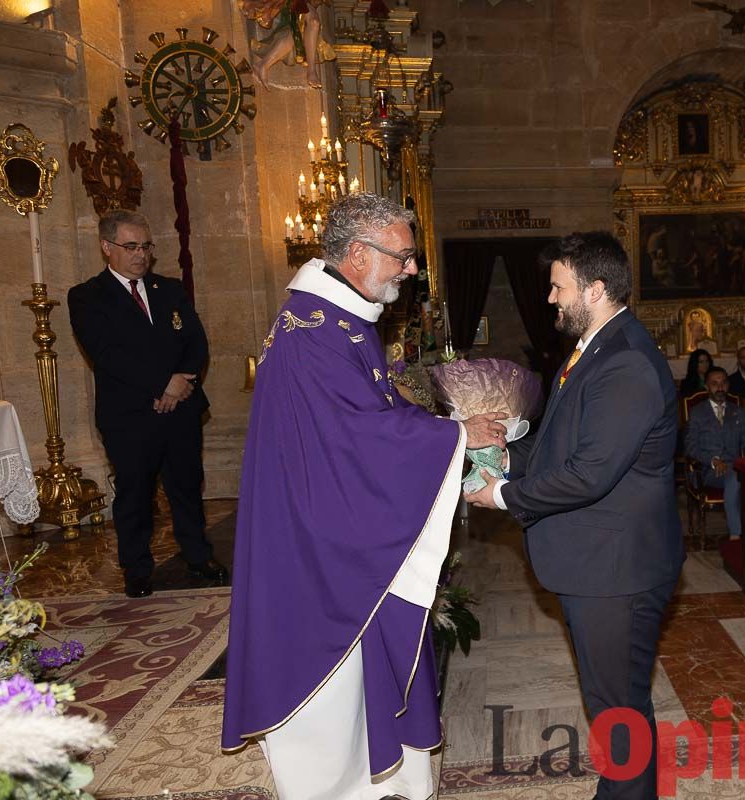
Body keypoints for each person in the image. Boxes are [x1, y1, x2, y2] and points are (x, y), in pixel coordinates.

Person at [221, 194, 507, 800]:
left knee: (363, 667)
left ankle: (376, 780)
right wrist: (455, 435)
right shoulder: (316, 333)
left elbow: (369, 411)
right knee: (331, 666)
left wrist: (441, 429)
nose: (409, 271)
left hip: (331, 510)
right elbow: (359, 434)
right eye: (402, 257)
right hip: (319, 534)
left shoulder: (338, 318)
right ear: (356, 254)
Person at [465, 231, 684, 800]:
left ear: (597, 287)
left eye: (560, 287)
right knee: (611, 703)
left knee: (619, 707)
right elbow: (563, 444)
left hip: (618, 570)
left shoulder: (627, 362)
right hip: (597, 563)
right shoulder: (592, 349)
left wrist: (505, 496)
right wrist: (508, 454)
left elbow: (591, 473)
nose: (551, 299)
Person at [68, 209, 225, 599]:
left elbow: (196, 342)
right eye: (131, 246)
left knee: (186, 486)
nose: (141, 255)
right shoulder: (87, 296)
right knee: (135, 495)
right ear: (107, 248)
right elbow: (107, 355)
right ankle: (136, 568)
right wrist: (162, 384)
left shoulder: (168, 289)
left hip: (182, 407)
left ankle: (197, 555)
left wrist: (180, 382)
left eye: (146, 246)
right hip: (130, 415)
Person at [685, 366, 745, 540]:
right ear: (707, 387)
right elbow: (691, 447)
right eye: (714, 384)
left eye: (723, 383)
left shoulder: (738, 411)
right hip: (708, 470)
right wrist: (714, 460)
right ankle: (736, 535)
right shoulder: (697, 413)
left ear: (728, 386)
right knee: (734, 476)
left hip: (737, 467)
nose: (720, 387)